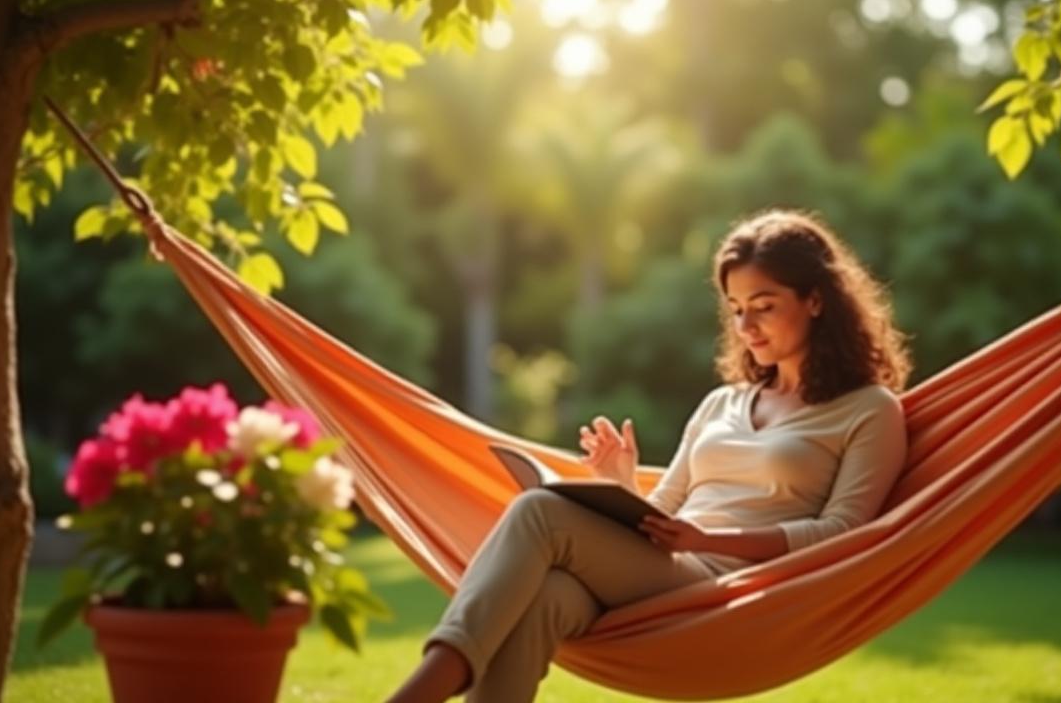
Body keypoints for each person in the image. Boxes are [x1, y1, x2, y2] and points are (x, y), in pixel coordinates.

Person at [385, 209, 912, 703]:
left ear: (816, 300)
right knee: (549, 597)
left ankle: (428, 686)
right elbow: (668, 512)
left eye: (764, 306)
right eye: (735, 310)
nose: (746, 327)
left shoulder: (869, 410)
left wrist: (711, 540)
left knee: (539, 512)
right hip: (671, 567)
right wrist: (621, 486)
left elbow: (844, 534)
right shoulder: (721, 403)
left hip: (729, 590)